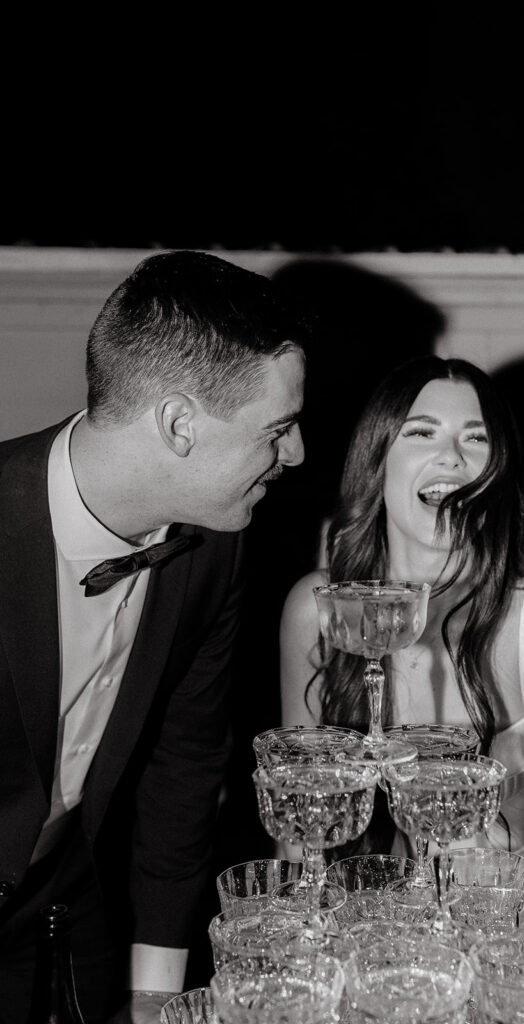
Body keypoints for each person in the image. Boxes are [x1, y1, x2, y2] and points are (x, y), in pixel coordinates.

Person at [280, 354, 524, 1010]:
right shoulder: (315, 610)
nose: (453, 456)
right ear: (375, 461)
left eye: (475, 437)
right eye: (421, 433)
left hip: (518, 952)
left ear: (498, 470)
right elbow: (298, 810)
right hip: (373, 959)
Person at [0, 250, 307, 1024]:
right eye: (279, 427)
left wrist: (155, 988)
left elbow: (185, 766)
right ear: (178, 424)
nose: (296, 454)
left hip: (69, 915)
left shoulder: (214, 546)